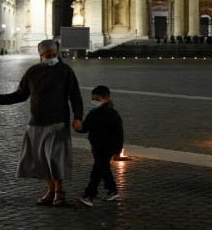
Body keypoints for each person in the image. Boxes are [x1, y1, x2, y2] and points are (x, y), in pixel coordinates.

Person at [0, 40, 83, 206]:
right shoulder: (33, 72)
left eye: (54, 55)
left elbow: (75, 96)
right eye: (48, 56)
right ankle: (50, 191)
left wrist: (78, 117)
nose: (51, 58)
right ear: (40, 56)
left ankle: (60, 192)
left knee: (55, 158)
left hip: (58, 121)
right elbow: (20, 95)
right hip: (36, 121)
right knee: (41, 159)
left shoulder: (65, 71)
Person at [76, 86, 124, 207]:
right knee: (101, 168)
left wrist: (117, 150)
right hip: (99, 147)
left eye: (97, 99)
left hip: (104, 147)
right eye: (93, 99)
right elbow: (86, 127)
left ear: (106, 98)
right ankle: (111, 190)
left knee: (98, 170)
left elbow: (119, 133)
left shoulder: (108, 114)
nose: (94, 101)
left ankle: (90, 195)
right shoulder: (100, 113)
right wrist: (79, 127)